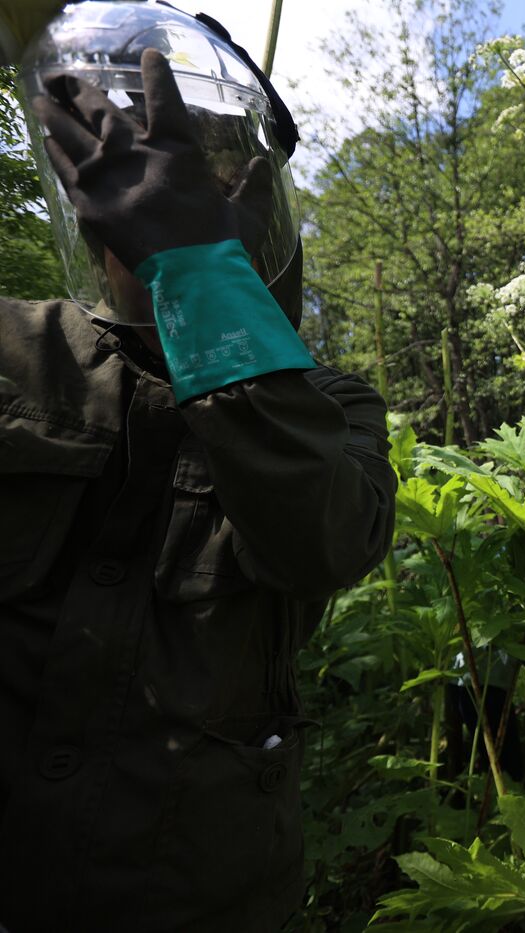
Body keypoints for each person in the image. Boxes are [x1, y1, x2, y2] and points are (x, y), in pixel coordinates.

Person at [0, 3, 396, 930]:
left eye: (212, 171)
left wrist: (197, 275)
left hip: (195, 902)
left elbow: (323, 539)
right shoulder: (19, 351)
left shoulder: (329, 402)